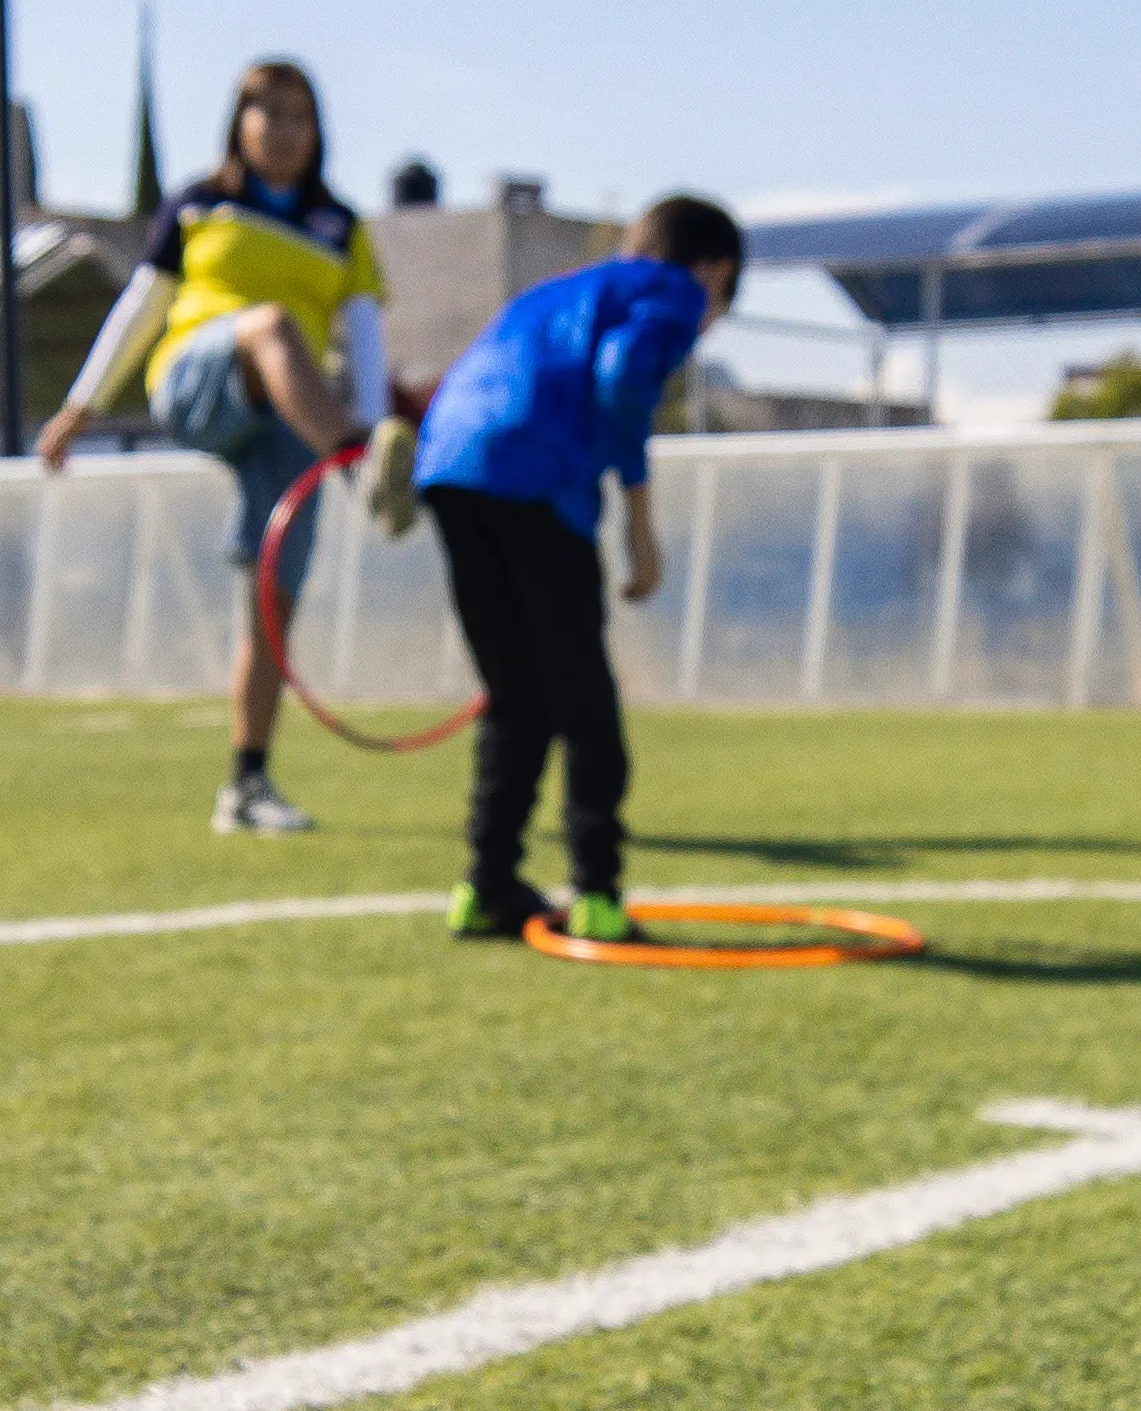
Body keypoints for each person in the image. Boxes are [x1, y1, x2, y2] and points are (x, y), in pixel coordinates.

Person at [36, 54, 392, 835]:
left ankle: (246, 786)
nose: (283, 129)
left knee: (271, 603)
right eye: (267, 111)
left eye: (299, 114)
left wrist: (372, 416)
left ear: (318, 130)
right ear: (239, 121)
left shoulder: (341, 226)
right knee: (267, 325)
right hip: (201, 377)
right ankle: (367, 475)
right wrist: (81, 405)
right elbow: (143, 303)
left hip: (293, 419)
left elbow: (363, 329)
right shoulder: (200, 205)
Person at [407, 196, 742, 948]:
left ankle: (485, 886)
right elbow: (624, 378)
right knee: (583, 697)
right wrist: (641, 523)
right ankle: (596, 892)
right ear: (717, 271)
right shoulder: (673, 290)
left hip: (450, 466)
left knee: (516, 695)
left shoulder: (564, 288)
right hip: (534, 475)